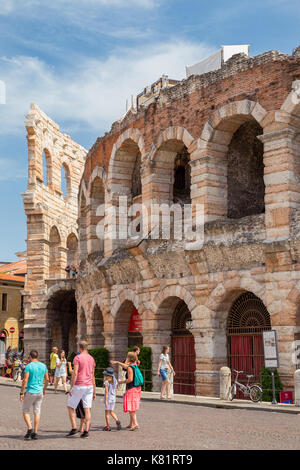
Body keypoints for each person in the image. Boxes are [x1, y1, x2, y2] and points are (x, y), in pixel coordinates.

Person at [66, 341, 96, 439]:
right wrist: (94, 390)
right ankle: (86, 430)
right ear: (87, 347)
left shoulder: (77, 358)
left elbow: (75, 372)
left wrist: (71, 386)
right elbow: (92, 374)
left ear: (79, 347)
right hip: (89, 385)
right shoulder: (91, 358)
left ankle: (74, 428)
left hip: (79, 384)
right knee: (87, 409)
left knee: (70, 406)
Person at [19, 350, 49, 441]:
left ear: (30, 357)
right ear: (37, 356)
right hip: (40, 392)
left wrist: (21, 392)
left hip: (31, 391)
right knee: (37, 411)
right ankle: (35, 433)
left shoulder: (29, 366)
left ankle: (29, 428)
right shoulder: (43, 366)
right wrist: (44, 389)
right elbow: (47, 379)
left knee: (25, 410)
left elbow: (25, 380)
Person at [117, 352, 142, 431]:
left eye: (127, 357)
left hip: (131, 389)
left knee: (131, 407)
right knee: (132, 406)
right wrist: (118, 362)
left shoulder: (130, 368)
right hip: (137, 388)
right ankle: (131, 423)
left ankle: (135, 424)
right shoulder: (135, 365)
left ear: (129, 358)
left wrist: (121, 382)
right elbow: (125, 365)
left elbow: (130, 379)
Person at [102, 367, 121, 431]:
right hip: (113, 397)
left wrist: (106, 400)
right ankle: (117, 421)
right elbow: (116, 389)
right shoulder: (114, 379)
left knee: (107, 413)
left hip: (109, 397)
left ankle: (108, 426)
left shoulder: (107, 380)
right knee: (112, 411)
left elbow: (106, 391)